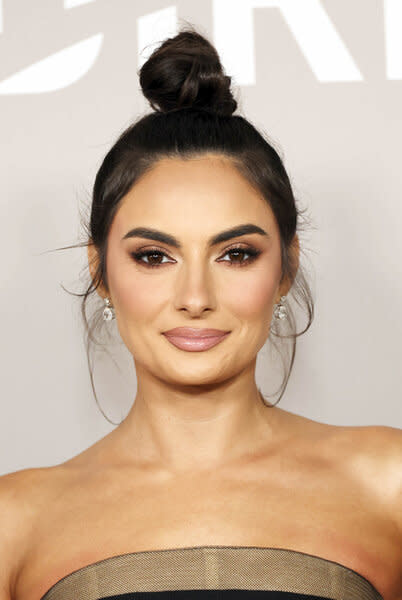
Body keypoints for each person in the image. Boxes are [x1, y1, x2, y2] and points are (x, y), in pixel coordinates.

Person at [1, 25, 401, 600]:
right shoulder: (14, 521)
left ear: (285, 267)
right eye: (154, 256)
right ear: (100, 272)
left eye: (236, 254)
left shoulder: (389, 484)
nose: (195, 295)